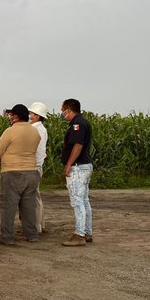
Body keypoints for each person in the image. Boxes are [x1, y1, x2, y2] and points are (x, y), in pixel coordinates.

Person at [0, 104, 41, 245]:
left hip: (12, 171)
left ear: (15, 116)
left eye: (11, 115)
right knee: (28, 206)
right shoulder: (34, 132)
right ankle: (31, 234)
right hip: (31, 171)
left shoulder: (10, 131)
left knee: (8, 205)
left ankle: (6, 236)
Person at [60, 98, 93, 247]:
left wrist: (69, 164)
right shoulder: (82, 121)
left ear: (69, 109)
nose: (62, 113)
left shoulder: (77, 124)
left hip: (78, 167)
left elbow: (78, 146)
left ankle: (79, 235)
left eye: (63, 110)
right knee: (84, 200)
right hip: (84, 166)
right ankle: (87, 231)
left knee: (78, 201)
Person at [28, 102, 49, 234]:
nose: (30, 115)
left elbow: (39, 152)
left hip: (34, 166)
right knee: (36, 196)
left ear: (37, 115)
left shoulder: (37, 129)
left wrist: (35, 165)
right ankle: (40, 224)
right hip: (35, 165)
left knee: (34, 197)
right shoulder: (39, 128)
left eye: (32, 113)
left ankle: (37, 226)